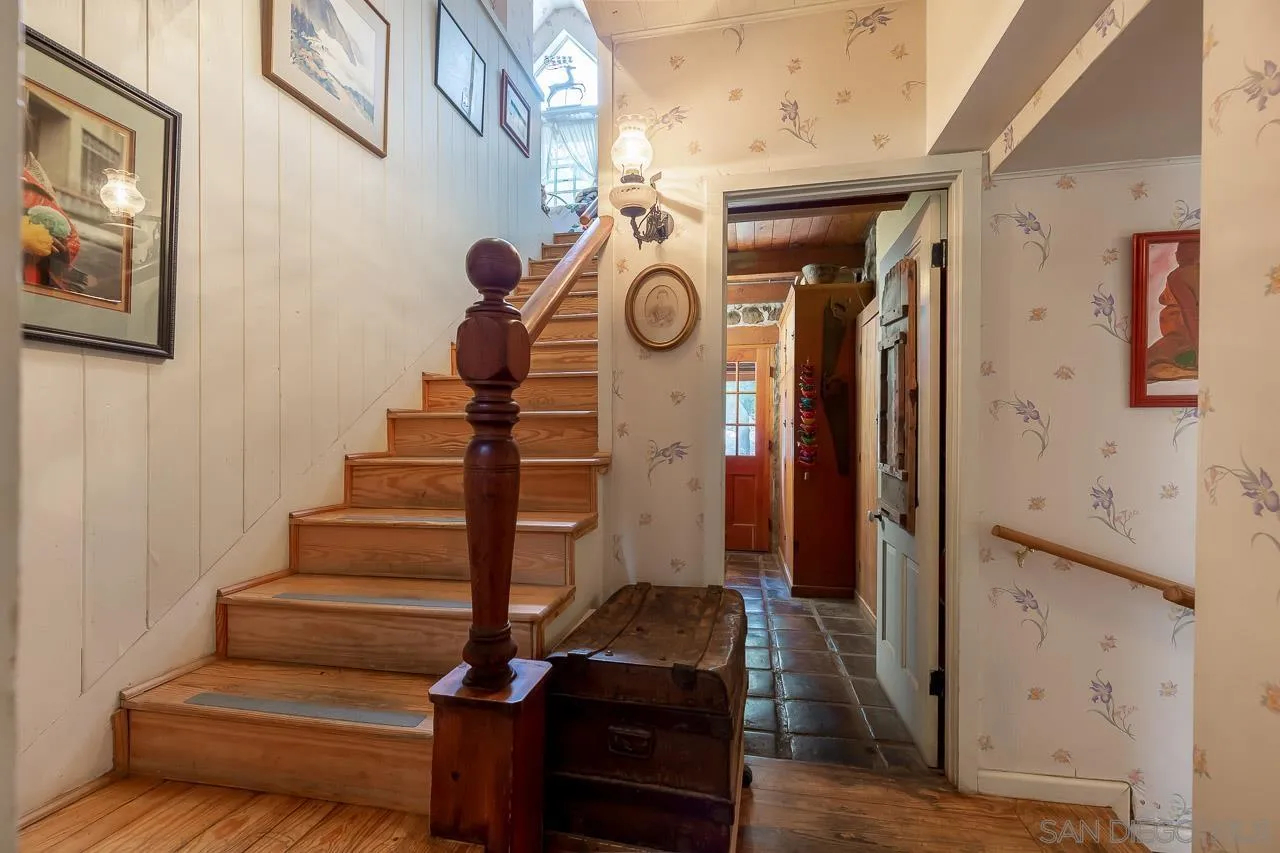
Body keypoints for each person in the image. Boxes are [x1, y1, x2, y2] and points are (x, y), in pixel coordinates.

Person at [1145, 239, 1199, 382]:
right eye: (1178, 251)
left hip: (1185, 336)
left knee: (1147, 364)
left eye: (1182, 251)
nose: (1177, 254)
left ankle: (1189, 370)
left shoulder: (1179, 276)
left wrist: (1199, 348)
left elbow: (1190, 314)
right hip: (1188, 337)